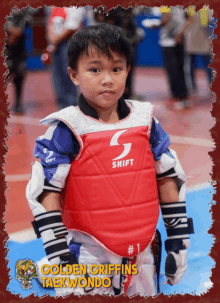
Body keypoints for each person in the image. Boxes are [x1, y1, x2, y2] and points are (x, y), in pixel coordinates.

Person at [26, 23, 194, 297]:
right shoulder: (66, 129)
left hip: (142, 254)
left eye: (116, 69)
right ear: (74, 74)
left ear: (128, 70)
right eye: (94, 70)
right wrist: (59, 256)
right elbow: (45, 192)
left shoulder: (146, 122)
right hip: (87, 255)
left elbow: (169, 177)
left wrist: (178, 240)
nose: (107, 79)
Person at [46, 6, 85, 109]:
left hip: (68, 43)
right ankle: (61, 104)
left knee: (68, 74)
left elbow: (72, 26)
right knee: (57, 75)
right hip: (56, 44)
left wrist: (56, 40)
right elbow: (50, 22)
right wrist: (52, 40)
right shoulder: (55, 7)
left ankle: (71, 105)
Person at [158, 6, 190, 109]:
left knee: (172, 70)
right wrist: (181, 33)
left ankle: (177, 97)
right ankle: (184, 96)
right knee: (181, 68)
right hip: (181, 39)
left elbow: (165, 19)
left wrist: (157, 24)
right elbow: (190, 18)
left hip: (168, 41)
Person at [4, 7, 34, 114]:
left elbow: (29, 18)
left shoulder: (24, 7)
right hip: (4, 46)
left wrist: (17, 32)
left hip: (19, 48)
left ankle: (18, 104)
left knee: (19, 76)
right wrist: (9, 30)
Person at [184, 6, 214, 93]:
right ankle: (211, 85)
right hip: (203, 40)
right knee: (208, 65)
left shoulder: (189, 7)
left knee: (190, 65)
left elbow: (187, 22)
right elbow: (205, 26)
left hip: (191, 40)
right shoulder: (205, 9)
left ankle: (192, 87)